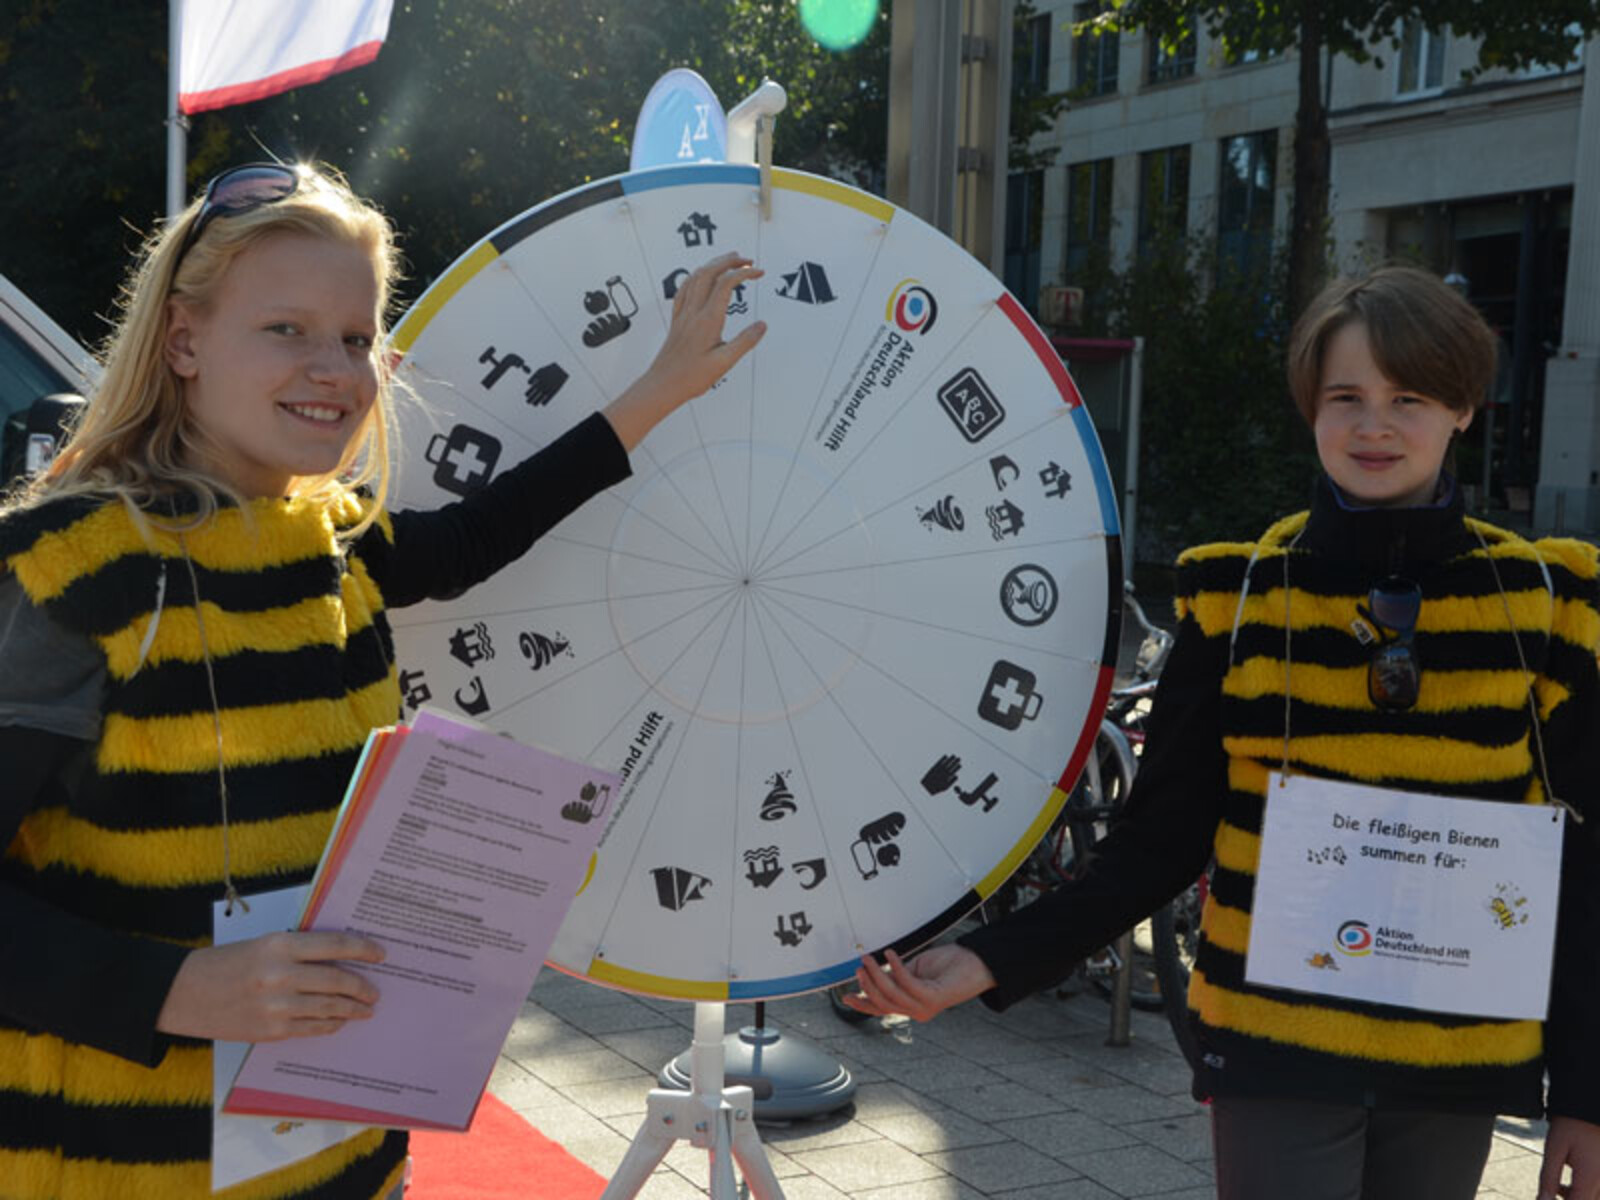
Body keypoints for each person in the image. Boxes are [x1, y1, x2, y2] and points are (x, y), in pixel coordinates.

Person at [0, 162, 764, 1198]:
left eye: (356, 340)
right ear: (182, 341)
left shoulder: (338, 542)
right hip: (115, 1168)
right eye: (287, 330)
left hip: (345, 1156)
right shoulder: (69, 571)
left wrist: (666, 383)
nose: (336, 370)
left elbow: (476, 536)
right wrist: (181, 988)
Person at [845, 266, 1600, 1200]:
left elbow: (1579, 864)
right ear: (1308, 407)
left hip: (1458, 1063)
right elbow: (1161, 838)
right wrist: (994, 957)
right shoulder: (1239, 599)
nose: (1375, 425)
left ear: (1465, 410)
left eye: (1409, 397)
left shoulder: (1545, 607)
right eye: (1345, 397)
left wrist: (1586, 1096)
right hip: (1275, 1050)